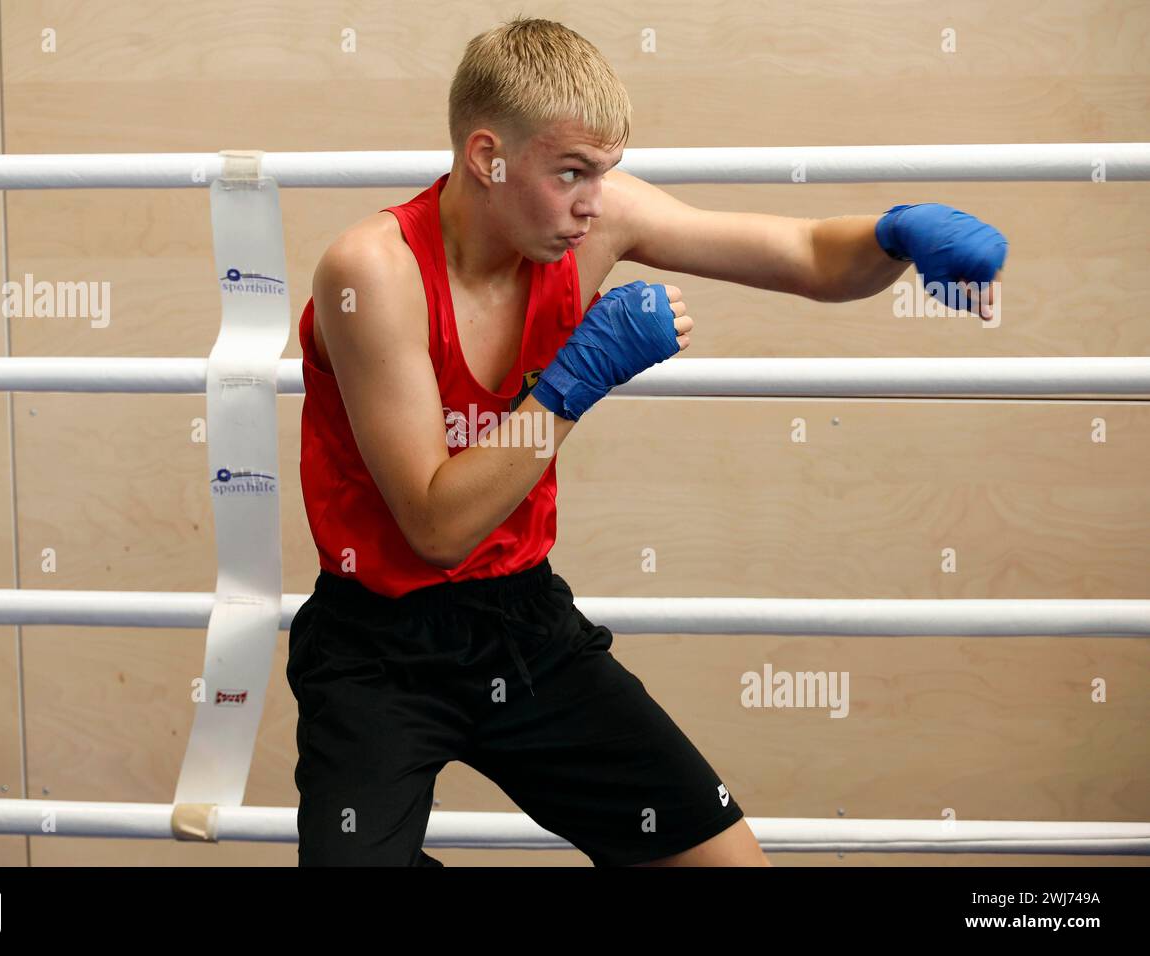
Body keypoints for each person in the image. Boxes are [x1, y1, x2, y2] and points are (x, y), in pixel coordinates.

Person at [287, 16, 1006, 867]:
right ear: (488, 157)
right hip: (378, 648)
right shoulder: (373, 272)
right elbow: (437, 528)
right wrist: (572, 382)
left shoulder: (593, 221)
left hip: (522, 623)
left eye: (606, 173)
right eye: (571, 174)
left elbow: (807, 255)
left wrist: (895, 235)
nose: (594, 202)